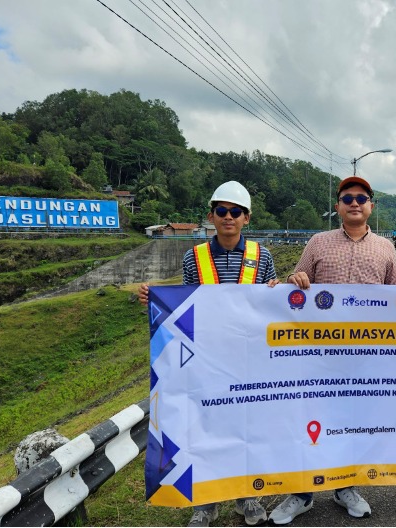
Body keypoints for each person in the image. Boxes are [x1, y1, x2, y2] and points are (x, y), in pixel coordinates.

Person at [139, 180, 279, 527]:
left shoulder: (262, 257)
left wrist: (280, 292)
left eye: (235, 212)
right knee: (205, 428)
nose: (228, 217)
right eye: (222, 211)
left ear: (247, 218)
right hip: (206, 359)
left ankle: (249, 496)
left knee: (248, 427)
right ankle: (207, 501)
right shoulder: (194, 257)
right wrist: (156, 299)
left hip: (250, 359)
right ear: (211, 216)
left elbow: (274, 306)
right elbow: (186, 304)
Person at [269, 175, 396, 525]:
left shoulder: (386, 248)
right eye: (348, 198)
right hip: (318, 356)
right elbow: (294, 292)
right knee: (309, 419)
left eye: (362, 197)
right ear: (338, 206)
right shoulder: (318, 242)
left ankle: (347, 487)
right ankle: (301, 493)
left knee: (354, 422)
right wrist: (294, 281)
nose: (355, 203)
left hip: (365, 358)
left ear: (371, 205)